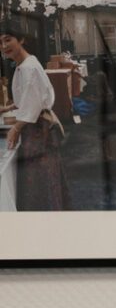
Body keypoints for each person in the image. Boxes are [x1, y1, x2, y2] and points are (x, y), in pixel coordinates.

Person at [2, 28, 72, 211]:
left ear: (21, 40)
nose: (3, 46)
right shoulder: (24, 64)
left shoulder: (29, 67)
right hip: (36, 126)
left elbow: (33, 105)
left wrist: (15, 128)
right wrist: (8, 108)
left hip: (38, 129)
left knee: (40, 179)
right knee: (43, 177)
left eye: (7, 40)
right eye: (0, 43)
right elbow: (28, 98)